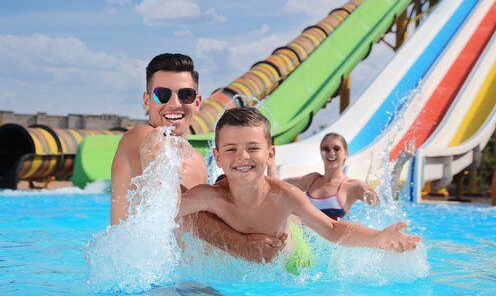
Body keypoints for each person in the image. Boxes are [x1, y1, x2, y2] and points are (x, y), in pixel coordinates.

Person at [176, 107, 421, 257]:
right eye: (231, 149)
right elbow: (162, 212)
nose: (243, 156)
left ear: (270, 154)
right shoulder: (209, 196)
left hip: (292, 261)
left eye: (253, 148)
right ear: (217, 157)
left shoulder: (284, 195)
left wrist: (378, 238)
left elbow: (333, 230)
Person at [110, 53, 285, 263]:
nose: (175, 104)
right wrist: (243, 245)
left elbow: (203, 224)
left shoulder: (197, 160)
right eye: (162, 95)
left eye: (185, 95)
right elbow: (168, 204)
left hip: (184, 282)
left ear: (198, 102)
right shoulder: (140, 138)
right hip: (136, 286)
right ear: (147, 101)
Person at [267, 133, 379, 220]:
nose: (331, 152)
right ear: (321, 153)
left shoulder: (352, 186)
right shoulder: (312, 180)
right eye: (325, 149)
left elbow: (379, 203)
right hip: (307, 246)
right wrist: (271, 161)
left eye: (336, 148)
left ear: (345, 153)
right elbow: (278, 187)